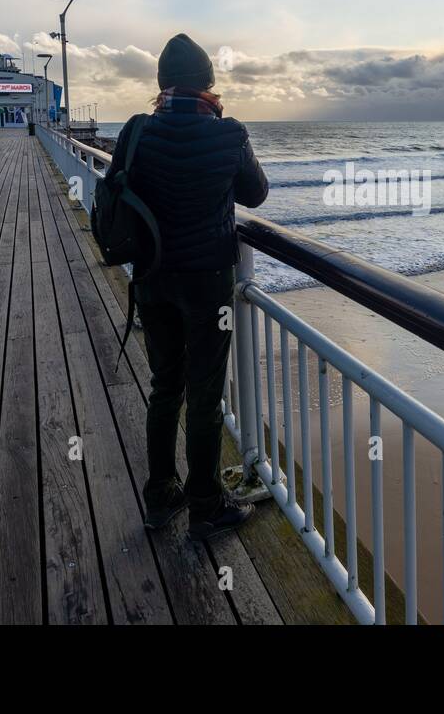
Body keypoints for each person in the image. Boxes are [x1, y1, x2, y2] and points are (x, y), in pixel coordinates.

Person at [106, 33, 269, 539]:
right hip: (207, 285)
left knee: (164, 386)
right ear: (209, 86)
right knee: (204, 394)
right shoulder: (229, 133)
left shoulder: (137, 131)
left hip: (152, 279)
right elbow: (256, 195)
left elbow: (120, 189)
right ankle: (205, 506)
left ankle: (160, 497)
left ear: (161, 85)